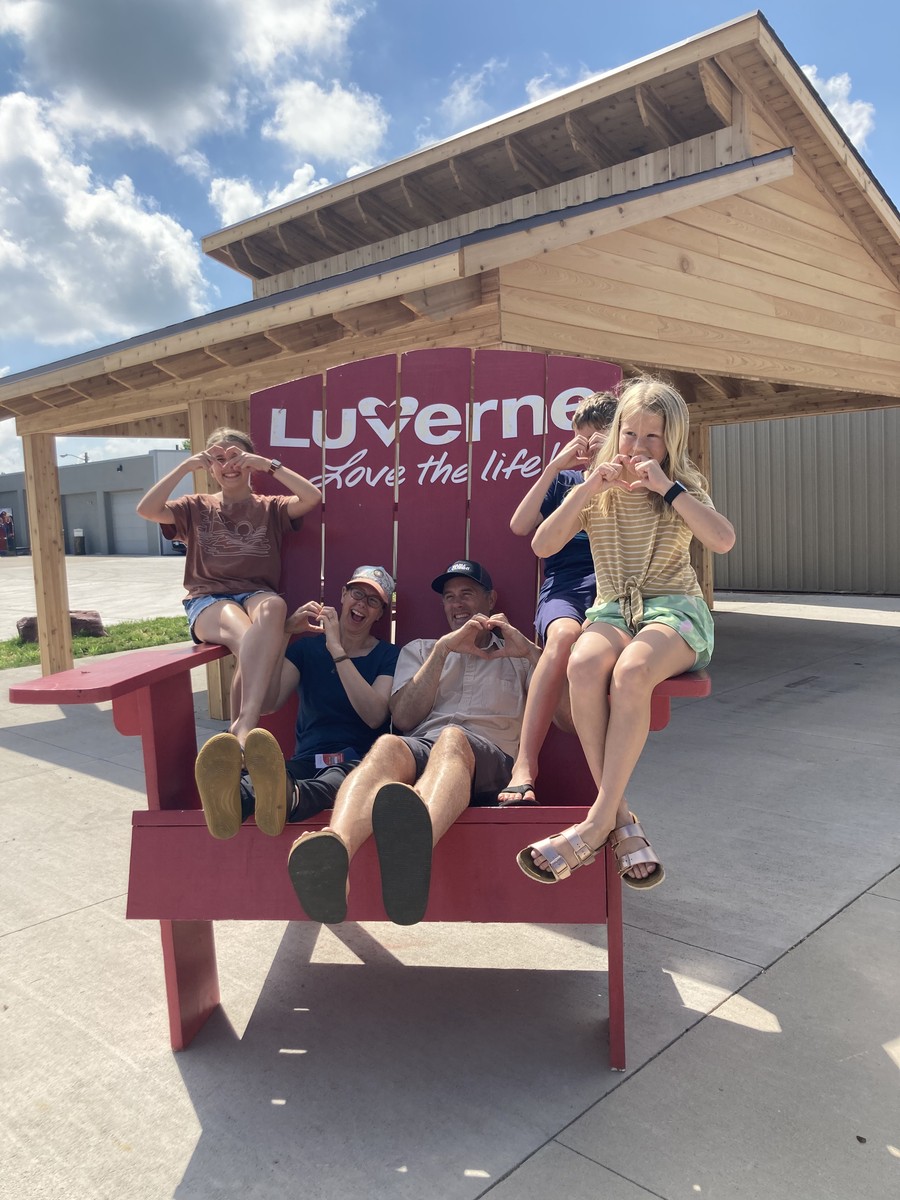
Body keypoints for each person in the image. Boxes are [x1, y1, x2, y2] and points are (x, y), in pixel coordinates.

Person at [518, 377, 735, 890]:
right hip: (614, 610)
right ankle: (619, 819)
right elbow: (543, 545)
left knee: (633, 670)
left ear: (672, 441)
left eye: (652, 438)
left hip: (674, 609)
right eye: (629, 434)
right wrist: (590, 484)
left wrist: (667, 487)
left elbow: (722, 540)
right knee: (582, 664)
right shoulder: (593, 487)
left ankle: (595, 826)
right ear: (615, 433)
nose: (637, 448)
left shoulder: (683, 480)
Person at [287, 559, 541, 925]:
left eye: (467, 594)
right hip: (426, 753)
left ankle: (413, 849)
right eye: (449, 597)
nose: (457, 604)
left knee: (453, 738)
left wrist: (532, 653)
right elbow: (403, 718)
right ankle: (335, 852)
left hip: (491, 763)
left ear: (491, 599)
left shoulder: (518, 654)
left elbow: (566, 714)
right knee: (389, 744)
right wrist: (443, 651)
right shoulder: (422, 650)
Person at [136, 427, 320, 746]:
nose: (229, 464)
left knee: (275, 605)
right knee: (248, 636)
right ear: (209, 467)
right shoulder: (195, 506)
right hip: (208, 600)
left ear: (248, 462)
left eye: (235, 456)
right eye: (219, 459)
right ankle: (245, 727)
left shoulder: (270, 507)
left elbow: (312, 497)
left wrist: (270, 465)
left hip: (256, 593)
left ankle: (239, 729)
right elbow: (147, 510)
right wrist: (183, 467)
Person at [192, 566, 401, 840]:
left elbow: (374, 715)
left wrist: (337, 650)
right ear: (343, 595)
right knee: (275, 777)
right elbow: (269, 702)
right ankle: (233, 801)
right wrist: (287, 632)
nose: (361, 604)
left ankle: (287, 797)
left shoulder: (389, 656)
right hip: (307, 759)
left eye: (372, 601)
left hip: (358, 761)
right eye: (357, 593)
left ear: (380, 614)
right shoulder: (306, 650)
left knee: (338, 780)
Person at [498, 391, 617, 805]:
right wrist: (553, 467)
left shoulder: (632, 482)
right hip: (566, 583)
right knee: (563, 636)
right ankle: (524, 763)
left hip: (613, 586)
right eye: (580, 441)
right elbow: (519, 526)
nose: (586, 451)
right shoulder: (567, 481)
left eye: (596, 440)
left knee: (592, 650)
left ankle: (606, 785)